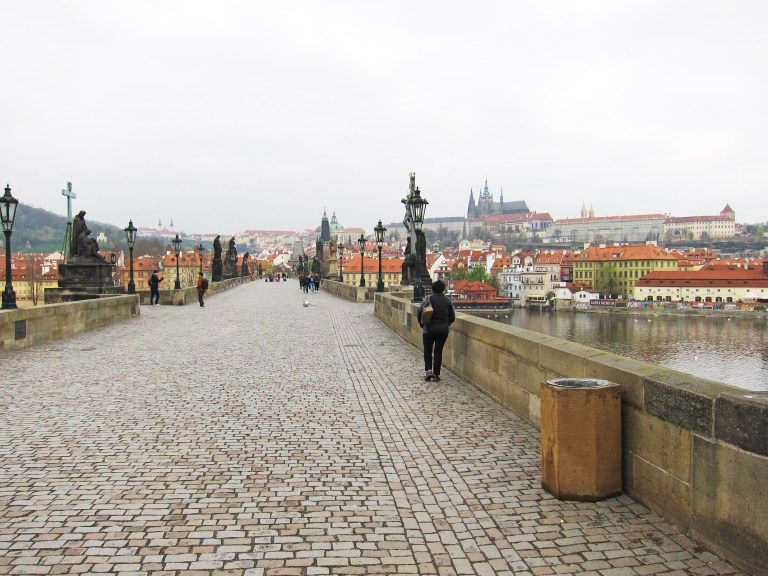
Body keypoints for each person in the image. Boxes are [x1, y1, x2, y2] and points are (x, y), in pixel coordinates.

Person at [417, 279, 455, 382]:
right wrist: (446, 324)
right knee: (438, 352)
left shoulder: (427, 299)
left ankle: (429, 372)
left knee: (427, 351)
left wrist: (421, 324)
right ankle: (437, 374)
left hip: (428, 330)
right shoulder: (448, 301)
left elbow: (420, 312)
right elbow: (452, 317)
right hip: (443, 331)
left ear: (433, 289)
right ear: (443, 289)